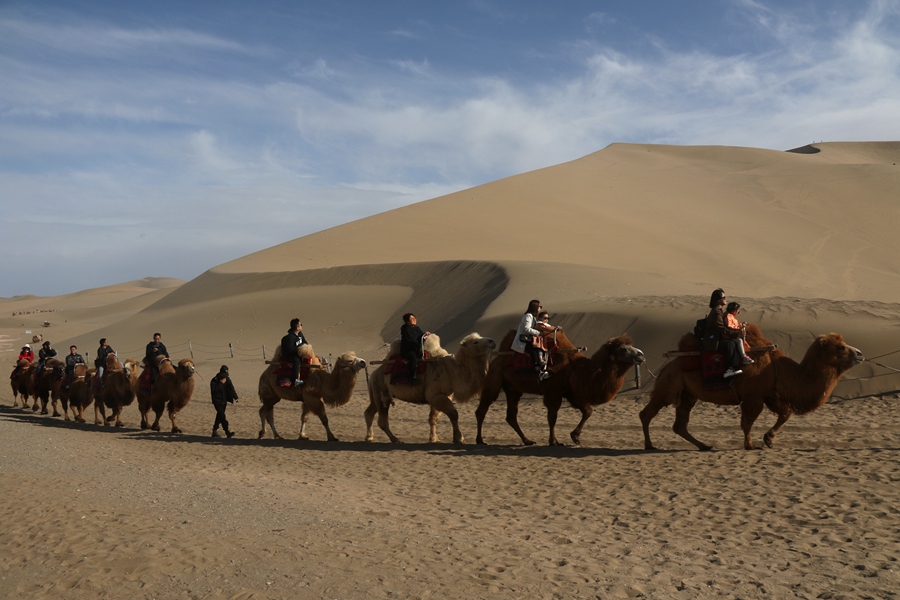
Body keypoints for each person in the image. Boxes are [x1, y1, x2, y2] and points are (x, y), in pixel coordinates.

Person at [701, 289, 744, 378]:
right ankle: (729, 369)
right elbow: (721, 328)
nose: (725, 299)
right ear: (718, 300)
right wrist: (736, 333)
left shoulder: (719, 311)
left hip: (717, 337)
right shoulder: (716, 312)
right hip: (713, 340)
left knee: (734, 342)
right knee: (730, 344)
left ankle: (735, 367)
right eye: (723, 297)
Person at [511, 299, 549, 380]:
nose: (540, 308)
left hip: (529, 339)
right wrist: (539, 333)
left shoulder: (533, 317)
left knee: (538, 349)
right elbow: (527, 329)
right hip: (524, 341)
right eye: (539, 306)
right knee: (533, 352)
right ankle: (539, 372)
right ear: (535, 307)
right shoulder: (528, 316)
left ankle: (542, 368)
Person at [399, 313, 430, 384]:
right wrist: (423, 339)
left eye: (415, 318)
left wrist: (425, 334)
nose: (414, 320)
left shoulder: (416, 328)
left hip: (417, 348)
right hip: (408, 350)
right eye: (412, 319)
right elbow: (412, 341)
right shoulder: (405, 330)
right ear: (407, 321)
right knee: (414, 359)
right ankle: (413, 377)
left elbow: (420, 336)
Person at [210, 365, 238, 438]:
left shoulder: (227, 379)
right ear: (220, 373)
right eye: (223, 375)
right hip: (217, 401)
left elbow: (231, 388)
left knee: (219, 415)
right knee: (222, 416)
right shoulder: (214, 380)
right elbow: (214, 390)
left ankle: (214, 430)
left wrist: (236, 397)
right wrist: (220, 383)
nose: (225, 376)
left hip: (224, 401)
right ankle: (227, 432)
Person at [280, 318, 309, 387]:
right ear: (297, 327)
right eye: (300, 325)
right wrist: (300, 349)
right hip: (290, 354)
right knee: (296, 360)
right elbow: (290, 349)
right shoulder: (290, 337)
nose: (302, 326)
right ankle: (295, 380)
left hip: (298, 353)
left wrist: (307, 348)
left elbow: (305, 343)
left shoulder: (300, 334)